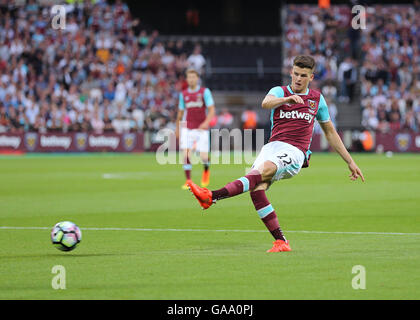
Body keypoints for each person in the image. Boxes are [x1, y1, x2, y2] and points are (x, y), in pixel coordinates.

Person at [187, 55, 365, 253]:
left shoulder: (317, 99)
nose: (298, 79)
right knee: (257, 188)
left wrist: (350, 161)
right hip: (272, 147)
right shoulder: (279, 91)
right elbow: (266, 103)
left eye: (303, 75)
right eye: (295, 74)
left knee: (265, 171)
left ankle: (212, 196)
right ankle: (281, 241)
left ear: (311, 77)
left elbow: (330, 132)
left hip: (295, 151)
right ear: (291, 72)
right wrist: (286, 99)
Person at [176, 68, 215, 189]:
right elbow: (180, 113)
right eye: (189, 77)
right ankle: (188, 180)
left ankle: (206, 171)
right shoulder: (183, 94)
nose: (191, 79)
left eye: (193, 77)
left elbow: (212, 110)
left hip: (201, 129)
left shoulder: (204, 92)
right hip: (188, 128)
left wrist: (206, 123)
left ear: (197, 79)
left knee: (203, 156)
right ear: (187, 79)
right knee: (186, 154)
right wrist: (177, 128)